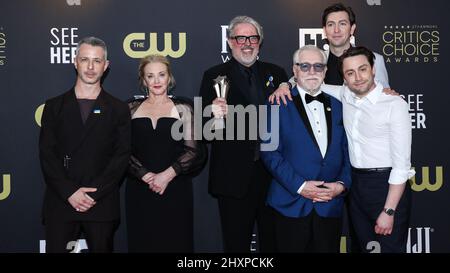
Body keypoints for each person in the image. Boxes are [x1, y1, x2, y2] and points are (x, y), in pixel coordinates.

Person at [198, 15, 288, 252]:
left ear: (259, 41)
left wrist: (288, 85)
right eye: (240, 38)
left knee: (274, 244)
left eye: (252, 37)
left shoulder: (278, 75)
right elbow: (203, 131)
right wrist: (214, 115)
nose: (247, 43)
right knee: (236, 246)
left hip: (274, 178)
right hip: (232, 179)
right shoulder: (213, 76)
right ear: (230, 41)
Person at [39, 36, 131, 253]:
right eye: (85, 60)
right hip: (61, 202)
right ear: (75, 62)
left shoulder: (118, 109)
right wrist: (70, 192)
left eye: (97, 61)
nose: (90, 67)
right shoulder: (54, 106)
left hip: (101, 205)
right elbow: (47, 155)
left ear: (106, 66)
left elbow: (121, 156)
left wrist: (93, 194)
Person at [260, 45, 351, 252]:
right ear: (295, 70)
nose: (312, 71)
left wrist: (341, 185)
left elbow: (349, 154)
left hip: (330, 205)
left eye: (318, 66)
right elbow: (270, 153)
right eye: (305, 66)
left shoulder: (340, 106)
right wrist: (301, 186)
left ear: (326, 71)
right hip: (289, 205)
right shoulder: (274, 104)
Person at [126, 54, 206, 252]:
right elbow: (120, 150)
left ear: (169, 77)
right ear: (143, 80)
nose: (156, 81)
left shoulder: (183, 107)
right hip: (140, 191)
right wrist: (144, 174)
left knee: (176, 243)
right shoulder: (129, 108)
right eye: (150, 76)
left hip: (175, 189)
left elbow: (194, 150)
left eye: (161, 75)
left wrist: (166, 175)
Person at [338, 46, 413, 253]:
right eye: (350, 73)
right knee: (363, 248)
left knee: (387, 249)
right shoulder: (345, 94)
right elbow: (316, 85)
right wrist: (285, 83)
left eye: (362, 69)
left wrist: (389, 211)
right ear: (344, 78)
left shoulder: (394, 104)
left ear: (373, 69)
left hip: (386, 188)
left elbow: (401, 166)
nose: (358, 77)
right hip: (356, 187)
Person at [275, 2, 390, 106]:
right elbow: (298, 78)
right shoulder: (317, 59)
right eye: (331, 24)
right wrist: (285, 85)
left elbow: (384, 96)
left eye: (342, 24)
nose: (336, 30)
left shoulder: (373, 59)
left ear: (352, 29)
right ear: (324, 30)